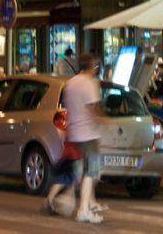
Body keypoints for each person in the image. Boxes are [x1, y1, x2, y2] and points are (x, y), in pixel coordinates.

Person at [62, 53, 105, 224]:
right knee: (91, 171)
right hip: (88, 134)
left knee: (81, 171)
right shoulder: (89, 84)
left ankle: (81, 204)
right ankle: (83, 210)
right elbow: (93, 107)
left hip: (74, 133)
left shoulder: (70, 83)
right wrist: (102, 121)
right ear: (93, 67)